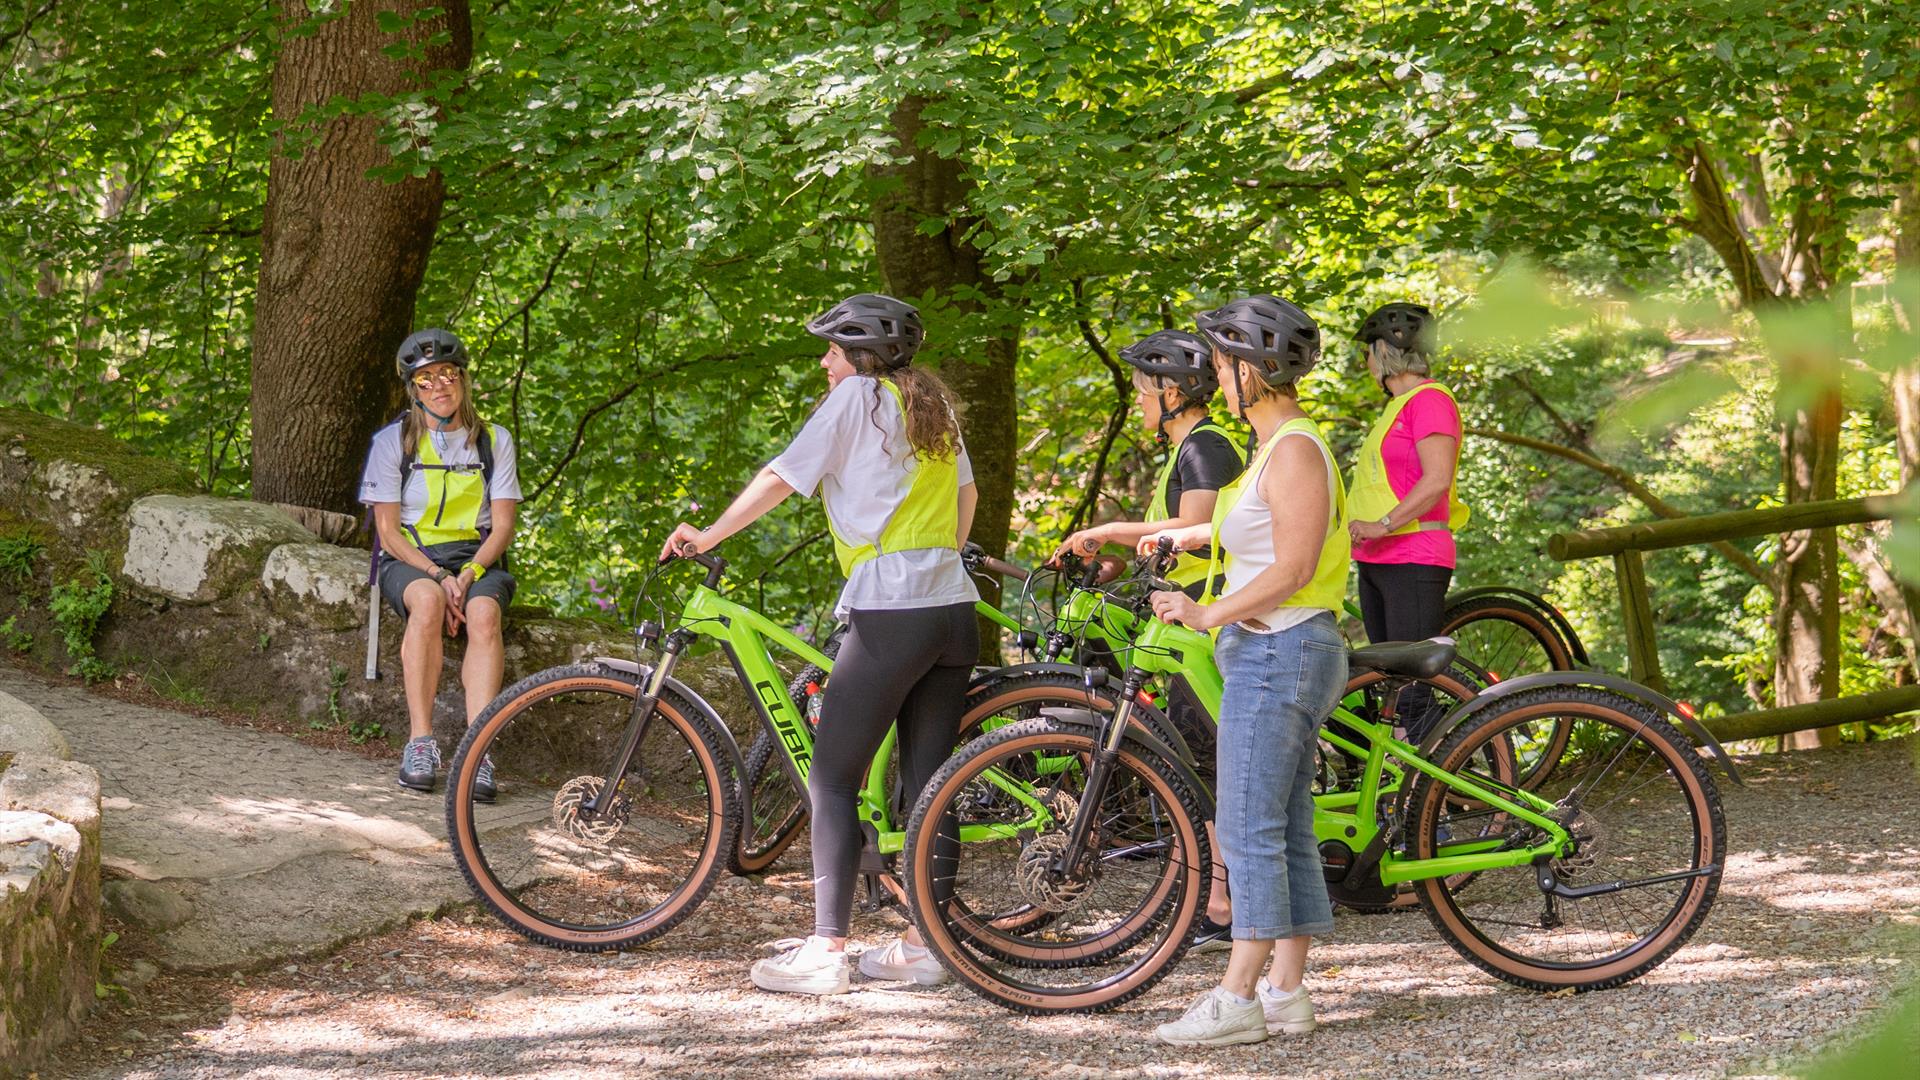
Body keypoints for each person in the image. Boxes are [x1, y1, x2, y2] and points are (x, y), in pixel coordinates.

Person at [658, 293, 978, 996]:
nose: (825, 364)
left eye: (832, 350)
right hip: (952, 605)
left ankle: (827, 950)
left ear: (861, 354)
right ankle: (927, 945)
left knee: (832, 776)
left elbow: (782, 476)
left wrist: (706, 535)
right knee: (931, 784)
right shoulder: (932, 407)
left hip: (890, 606)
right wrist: (932, 565)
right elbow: (966, 500)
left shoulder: (857, 398)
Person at [1140, 295, 1350, 1046]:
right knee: (1286, 825)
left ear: (1255, 370)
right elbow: (1253, 534)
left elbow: (1293, 566)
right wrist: (1169, 540)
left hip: (1279, 649)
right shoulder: (1272, 449)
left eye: (1224, 364)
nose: (1215, 377)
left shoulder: (1293, 446)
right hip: (1276, 651)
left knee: (1248, 825)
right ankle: (1286, 991)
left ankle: (1236, 999)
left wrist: (1206, 614)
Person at [1052, 328, 1245, 951]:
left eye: (1141, 390)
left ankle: (1220, 903)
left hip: (1208, 616)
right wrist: (1118, 562)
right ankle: (1217, 895)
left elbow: (1198, 528)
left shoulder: (1206, 446)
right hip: (1186, 614)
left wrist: (1108, 527)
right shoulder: (1187, 447)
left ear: (1171, 391)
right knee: (1198, 755)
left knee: (1206, 760)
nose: (1137, 401)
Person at [359, 328, 523, 798]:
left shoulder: (494, 440)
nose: (439, 387)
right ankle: (420, 744)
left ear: (463, 379)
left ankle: (479, 751)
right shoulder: (393, 442)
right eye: (425, 380)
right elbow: (388, 533)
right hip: (412, 558)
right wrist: (438, 575)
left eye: (447, 374)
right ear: (413, 389)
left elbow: (505, 526)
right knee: (428, 603)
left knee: (485, 613)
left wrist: (469, 574)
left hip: (477, 557)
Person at [1345, 303, 1467, 739]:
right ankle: (1411, 789)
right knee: (1389, 687)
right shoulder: (1396, 407)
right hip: (1378, 561)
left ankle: (1461, 792)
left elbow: (1436, 481)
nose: (1366, 363)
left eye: (1368, 353)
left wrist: (1384, 524)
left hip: (1414, 557)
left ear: (1384, 354)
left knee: (1415, 694)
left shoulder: (1430, 401)